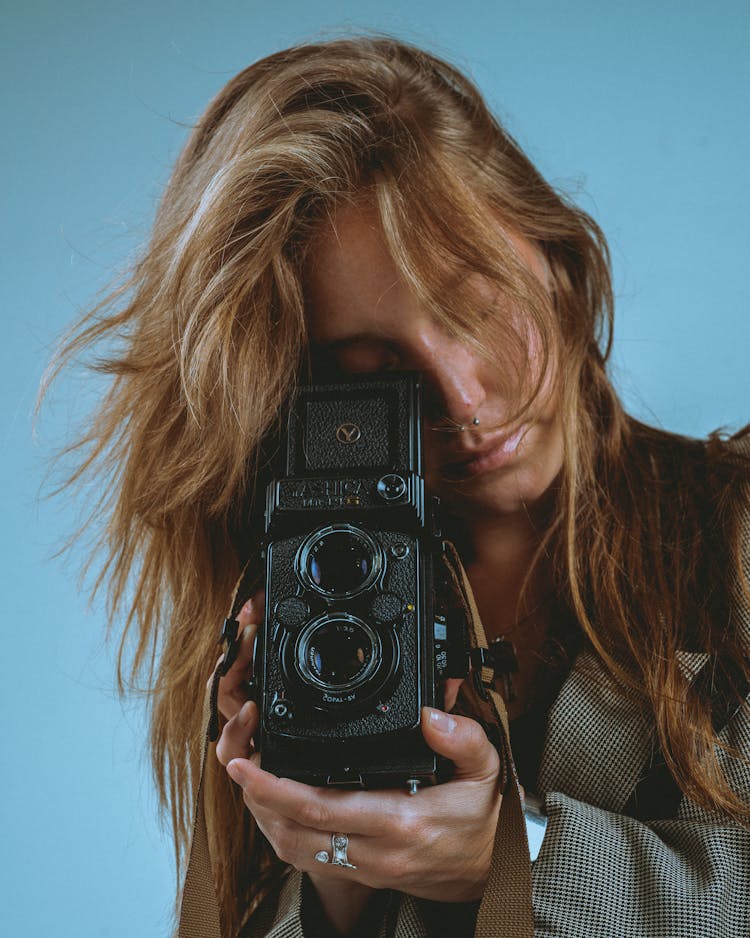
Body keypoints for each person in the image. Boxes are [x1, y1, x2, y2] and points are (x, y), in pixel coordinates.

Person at [51, 36, 750, 937]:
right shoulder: (294, 618)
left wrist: (518, 856)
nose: (461, 398)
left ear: (554, 255)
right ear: (300, 403)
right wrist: (334, 861)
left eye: (476, 307)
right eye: (372, 368)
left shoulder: (731, 528)